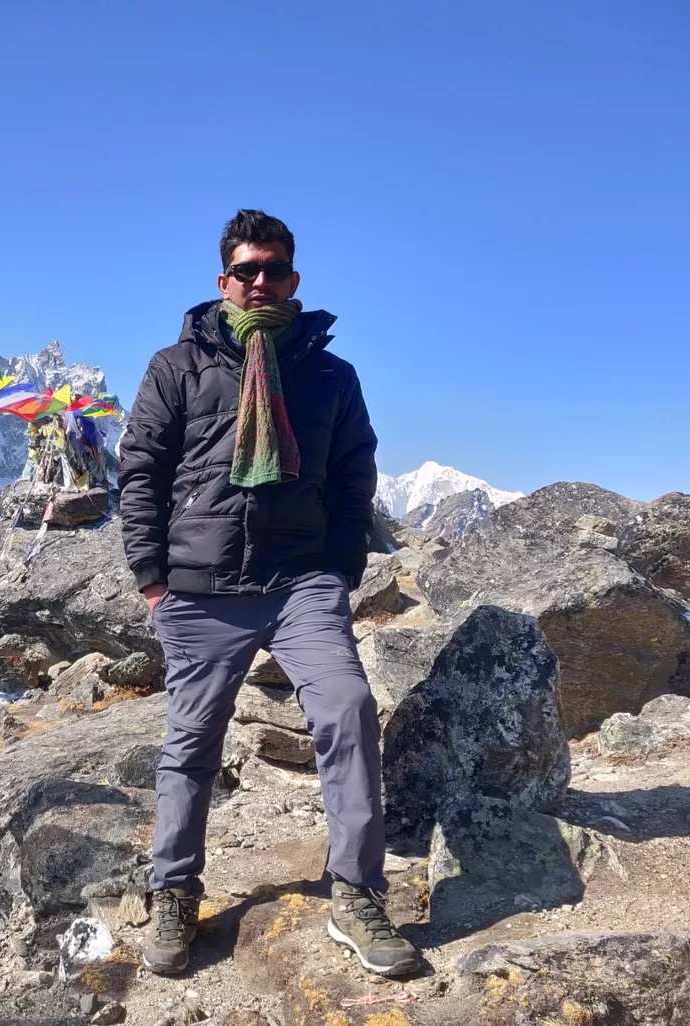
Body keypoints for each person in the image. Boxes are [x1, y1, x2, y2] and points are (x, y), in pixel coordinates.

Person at [117, 210, 420, 977]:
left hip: (301, 581)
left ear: (292, 279)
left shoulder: (329, 374)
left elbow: (356, 474)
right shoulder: (176, 366)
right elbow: (141, 471)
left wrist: (342, 566)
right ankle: (175, 890)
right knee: (191, 744)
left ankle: (356, 892)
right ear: (223, 281)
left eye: (272, 268)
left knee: (348, 708)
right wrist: (152, 577)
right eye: (245, 270)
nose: (259, 281)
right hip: (199, 586)